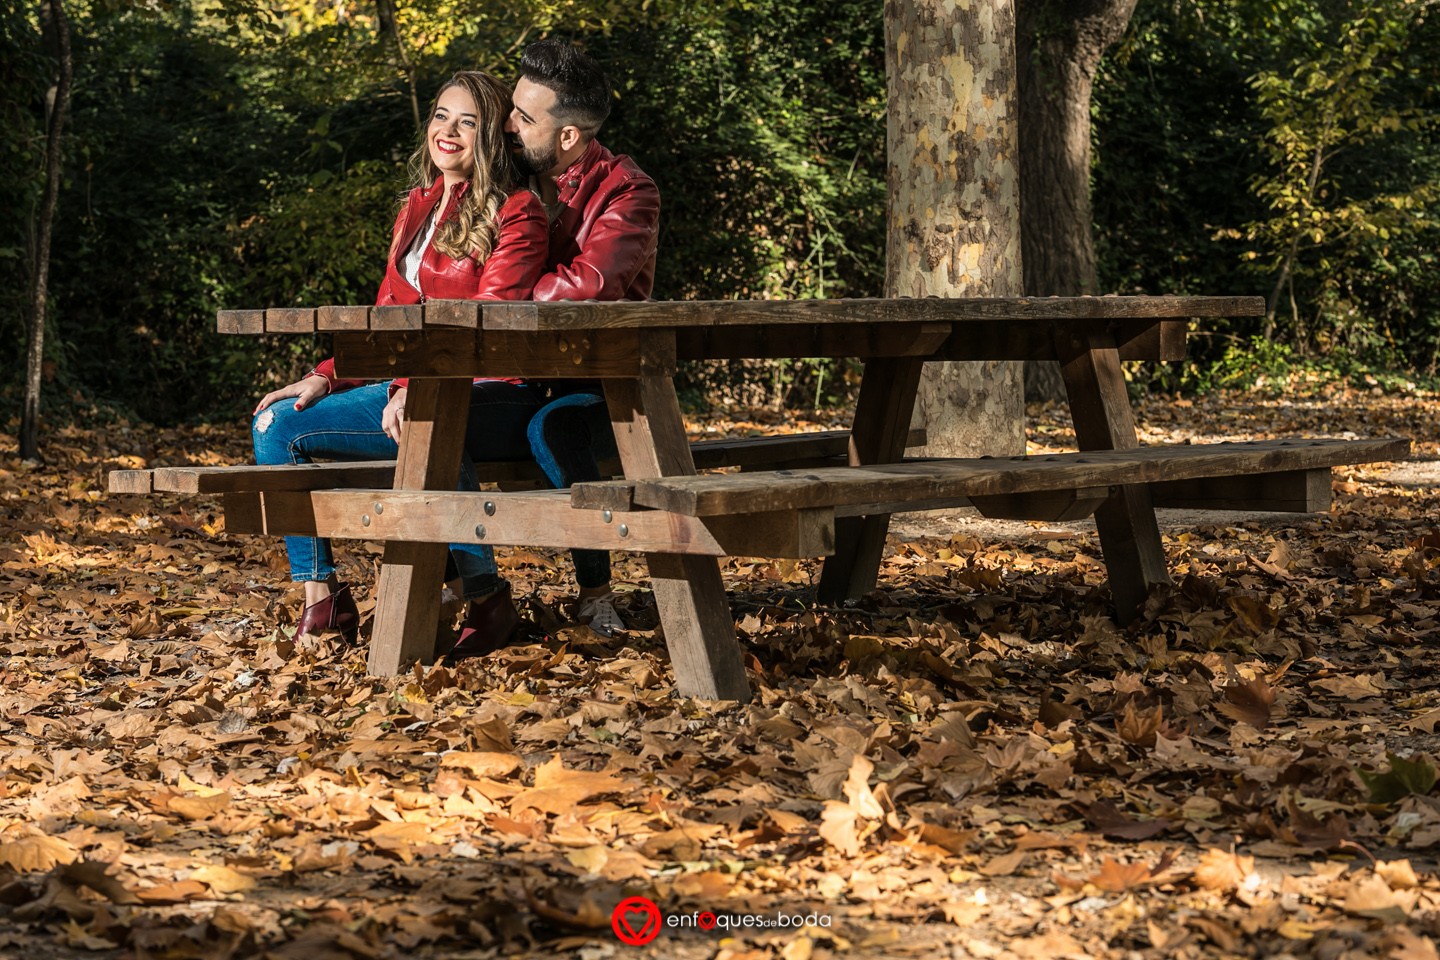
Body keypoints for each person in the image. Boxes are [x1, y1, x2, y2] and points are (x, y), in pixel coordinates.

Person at [251, 71, 549, 646]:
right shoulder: (417, 208)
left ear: (490, 135)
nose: (449, 130)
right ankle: (324, 595)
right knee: (275, 423)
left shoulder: (517, 213)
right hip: (413, 388)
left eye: (468, 121)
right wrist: (326, 376)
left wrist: (420, 386)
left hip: (495, 390)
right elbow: (388, 316)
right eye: (441, 115)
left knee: (430, 421)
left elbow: (490, 327)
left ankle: (486, 597)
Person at [439, 38, 661, 661]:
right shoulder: (509, 174)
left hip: (603, 391)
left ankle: (597, 591)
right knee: (435, 423)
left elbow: (589, 289)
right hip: (517, 378)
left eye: (524, 117)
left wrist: (501, 289)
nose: (505, 124)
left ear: (568, 137)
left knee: (555, 429)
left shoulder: (626, 191)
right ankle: (463, 592)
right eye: (512, 108)